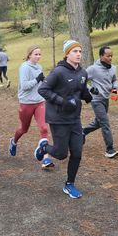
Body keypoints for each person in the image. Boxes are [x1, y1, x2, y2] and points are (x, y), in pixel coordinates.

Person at [36, 40, 93, 199]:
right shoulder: (58, 72)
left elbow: (80, 90)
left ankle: (69, 184)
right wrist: (62, 102)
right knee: (61, 154)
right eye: (75, 51)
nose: (78, 54)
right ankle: (44, 147)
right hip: (58, 118)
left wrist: (88, 95)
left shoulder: (82, 72)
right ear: (67, 54)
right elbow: (43, 90)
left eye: (80, 51)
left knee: (77, 152)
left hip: (74, 118)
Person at [9, 45, 53, 168]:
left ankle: (46, 158)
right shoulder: (24, 67)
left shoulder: (39, 67)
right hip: (26, 102)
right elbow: (24, 86)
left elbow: (39, 85)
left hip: (39, 102)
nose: (38, 56)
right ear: (29, 55)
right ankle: (14, 141)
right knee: (23, 129)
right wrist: (37, 79)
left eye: (39, 54)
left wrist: (44, 82)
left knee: (44, 128)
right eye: (36, 54)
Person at [83, 46, 118, 158]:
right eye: (108, 56)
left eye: (111, 55)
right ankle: (109, 150)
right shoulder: (93, 69)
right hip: (96, 100)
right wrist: (90, 89)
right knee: (105, 123)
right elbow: (81, 79)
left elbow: (114, 79)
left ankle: (82, 132)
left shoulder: (113, 68)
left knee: (99, 122)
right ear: (101, 56)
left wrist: (115, 89)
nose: (110, 58)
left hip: (105, 99)